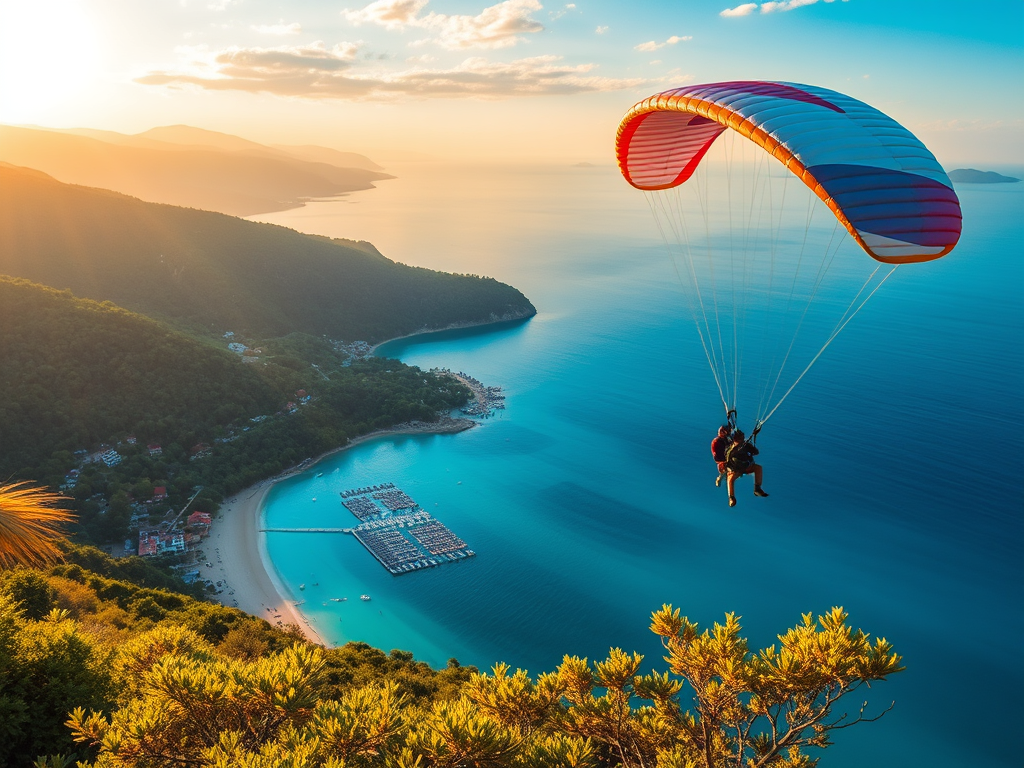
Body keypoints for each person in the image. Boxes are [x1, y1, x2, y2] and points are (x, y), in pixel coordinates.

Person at [725, 429, 768, 507]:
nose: (741, 440)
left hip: (746, 466)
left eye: (741, 438)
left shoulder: (746, 445)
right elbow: (727, 458)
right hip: (736, 469)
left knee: (758, 468)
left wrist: (752, 446)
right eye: (739, 439)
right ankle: (731, 497)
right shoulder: (730, 449)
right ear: (735, 440)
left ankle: (757, 488)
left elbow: (756, 452)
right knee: (730, 479)